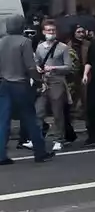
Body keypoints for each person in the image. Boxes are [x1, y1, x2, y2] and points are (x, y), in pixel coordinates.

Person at [0, 15, 52, 164]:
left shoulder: (1, 42)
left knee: (3, 120)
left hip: (4, 84)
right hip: (20, 84)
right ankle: (40, 152)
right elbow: (30, 66)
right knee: (30, 118)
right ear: (21, 26)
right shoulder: (25, 42)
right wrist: (38, 80)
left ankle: (1, 155)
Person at [31, 19, 70, 151]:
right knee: (38, 111)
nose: (51, 32)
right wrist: (37, 68)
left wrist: (53, 68)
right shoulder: (40, 47)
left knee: (57, 112)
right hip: (44, 82)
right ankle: (36, 137)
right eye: (48, 30)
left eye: (53, 30)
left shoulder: (63, 47)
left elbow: (68, 67)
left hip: (57, 81)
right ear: (43, 32)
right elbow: (36, 61)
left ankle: (59, 138)